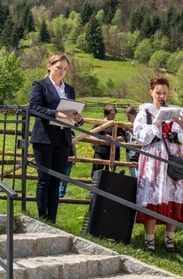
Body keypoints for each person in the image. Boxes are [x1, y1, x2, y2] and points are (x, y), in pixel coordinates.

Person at [134, 76, 183, 253]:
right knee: (152, 196)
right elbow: (140, 137)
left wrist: (182, 125)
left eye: (164, 93)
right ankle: (149, 241)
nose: (161, 96)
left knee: (173, 196)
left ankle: (170, 239)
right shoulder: (144, 113)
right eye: (158, 92)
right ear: (151, 91)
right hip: (153, 159)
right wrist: (156, 123)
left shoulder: (175, 112)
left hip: (173, 159)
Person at [30, 52, 84, 223]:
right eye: (58, 67)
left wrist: (78, 119)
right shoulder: (40, 85)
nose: (62, 71)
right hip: (44, 138)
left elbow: (71, 112)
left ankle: (52, 219)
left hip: (63, 138)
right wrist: (57, 113)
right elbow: (34, 108)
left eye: (65, 69)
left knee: (56, 180)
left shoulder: (69, 89)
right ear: (49, 66)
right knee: (44, 179)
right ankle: (42, 218)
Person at [91, 105, 125, 175]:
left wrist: (112, 138)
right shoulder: (99, 123)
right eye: (111, 114)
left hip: (113, 151)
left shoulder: (117, 124)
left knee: (110, 173)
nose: (113, 116)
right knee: (96, 171)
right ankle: (95, 185)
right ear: (106, 114)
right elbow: (91, 135)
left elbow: (122, 138)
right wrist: (100, 139)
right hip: (100, 151)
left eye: (114, 114)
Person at [124, 106, 140, 178]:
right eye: (126, 116)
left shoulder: (139, 124)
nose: (127, 118)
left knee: (138, 172)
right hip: (129, 150)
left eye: (129, 116)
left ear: (134, 115)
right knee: (132, 172)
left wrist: (130, 130)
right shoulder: (126, 125)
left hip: (137, 150)